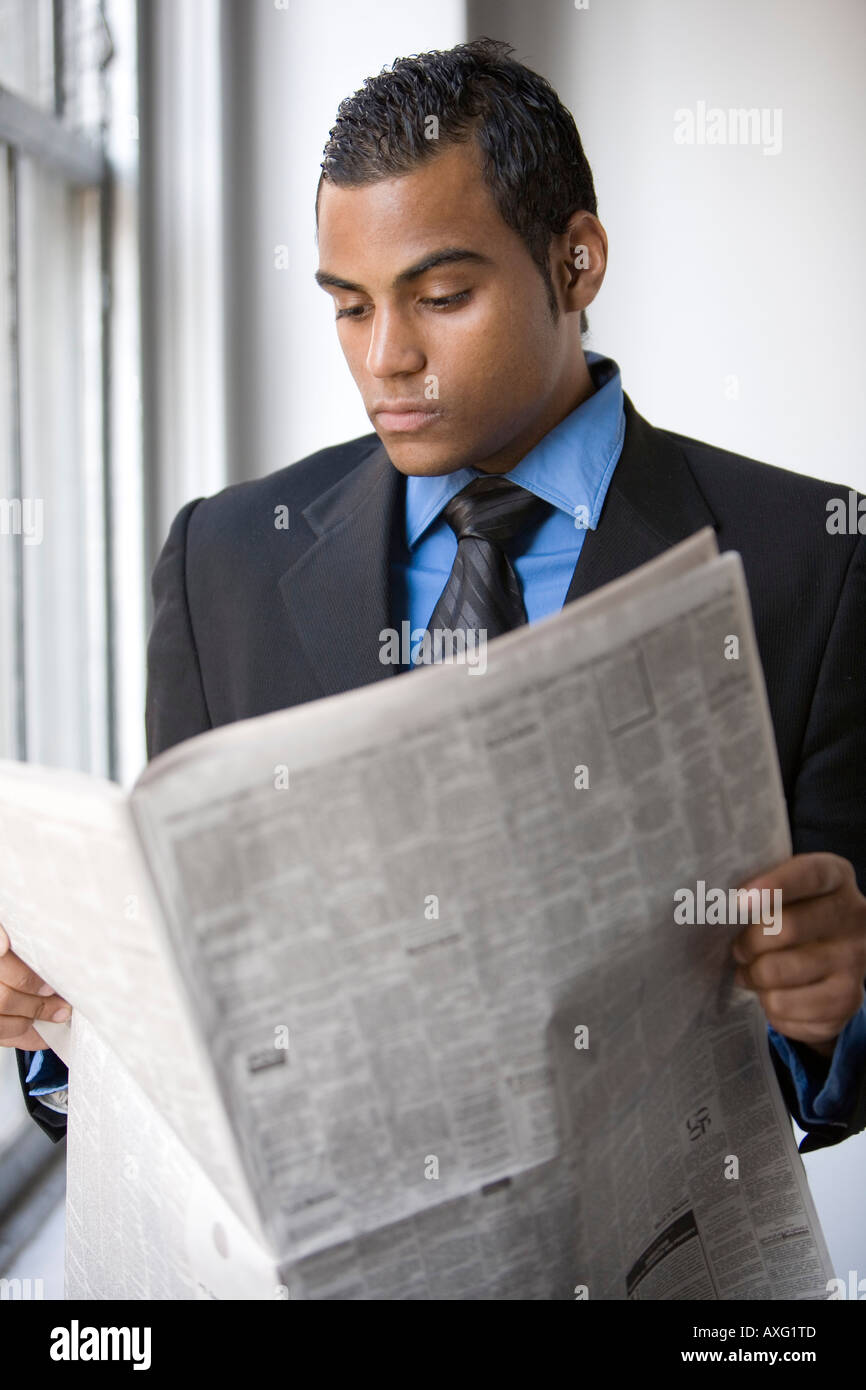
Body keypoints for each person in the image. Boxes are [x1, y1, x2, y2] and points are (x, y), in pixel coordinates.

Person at [6, 37, 866, 1158]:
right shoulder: (222, 562)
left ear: (576, 262)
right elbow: (195, 982)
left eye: (440, 295)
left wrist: (834, 1004)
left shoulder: (814, 559)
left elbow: (832, 1009)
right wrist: (59, 1011)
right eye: (348, 307)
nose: (386, 359)